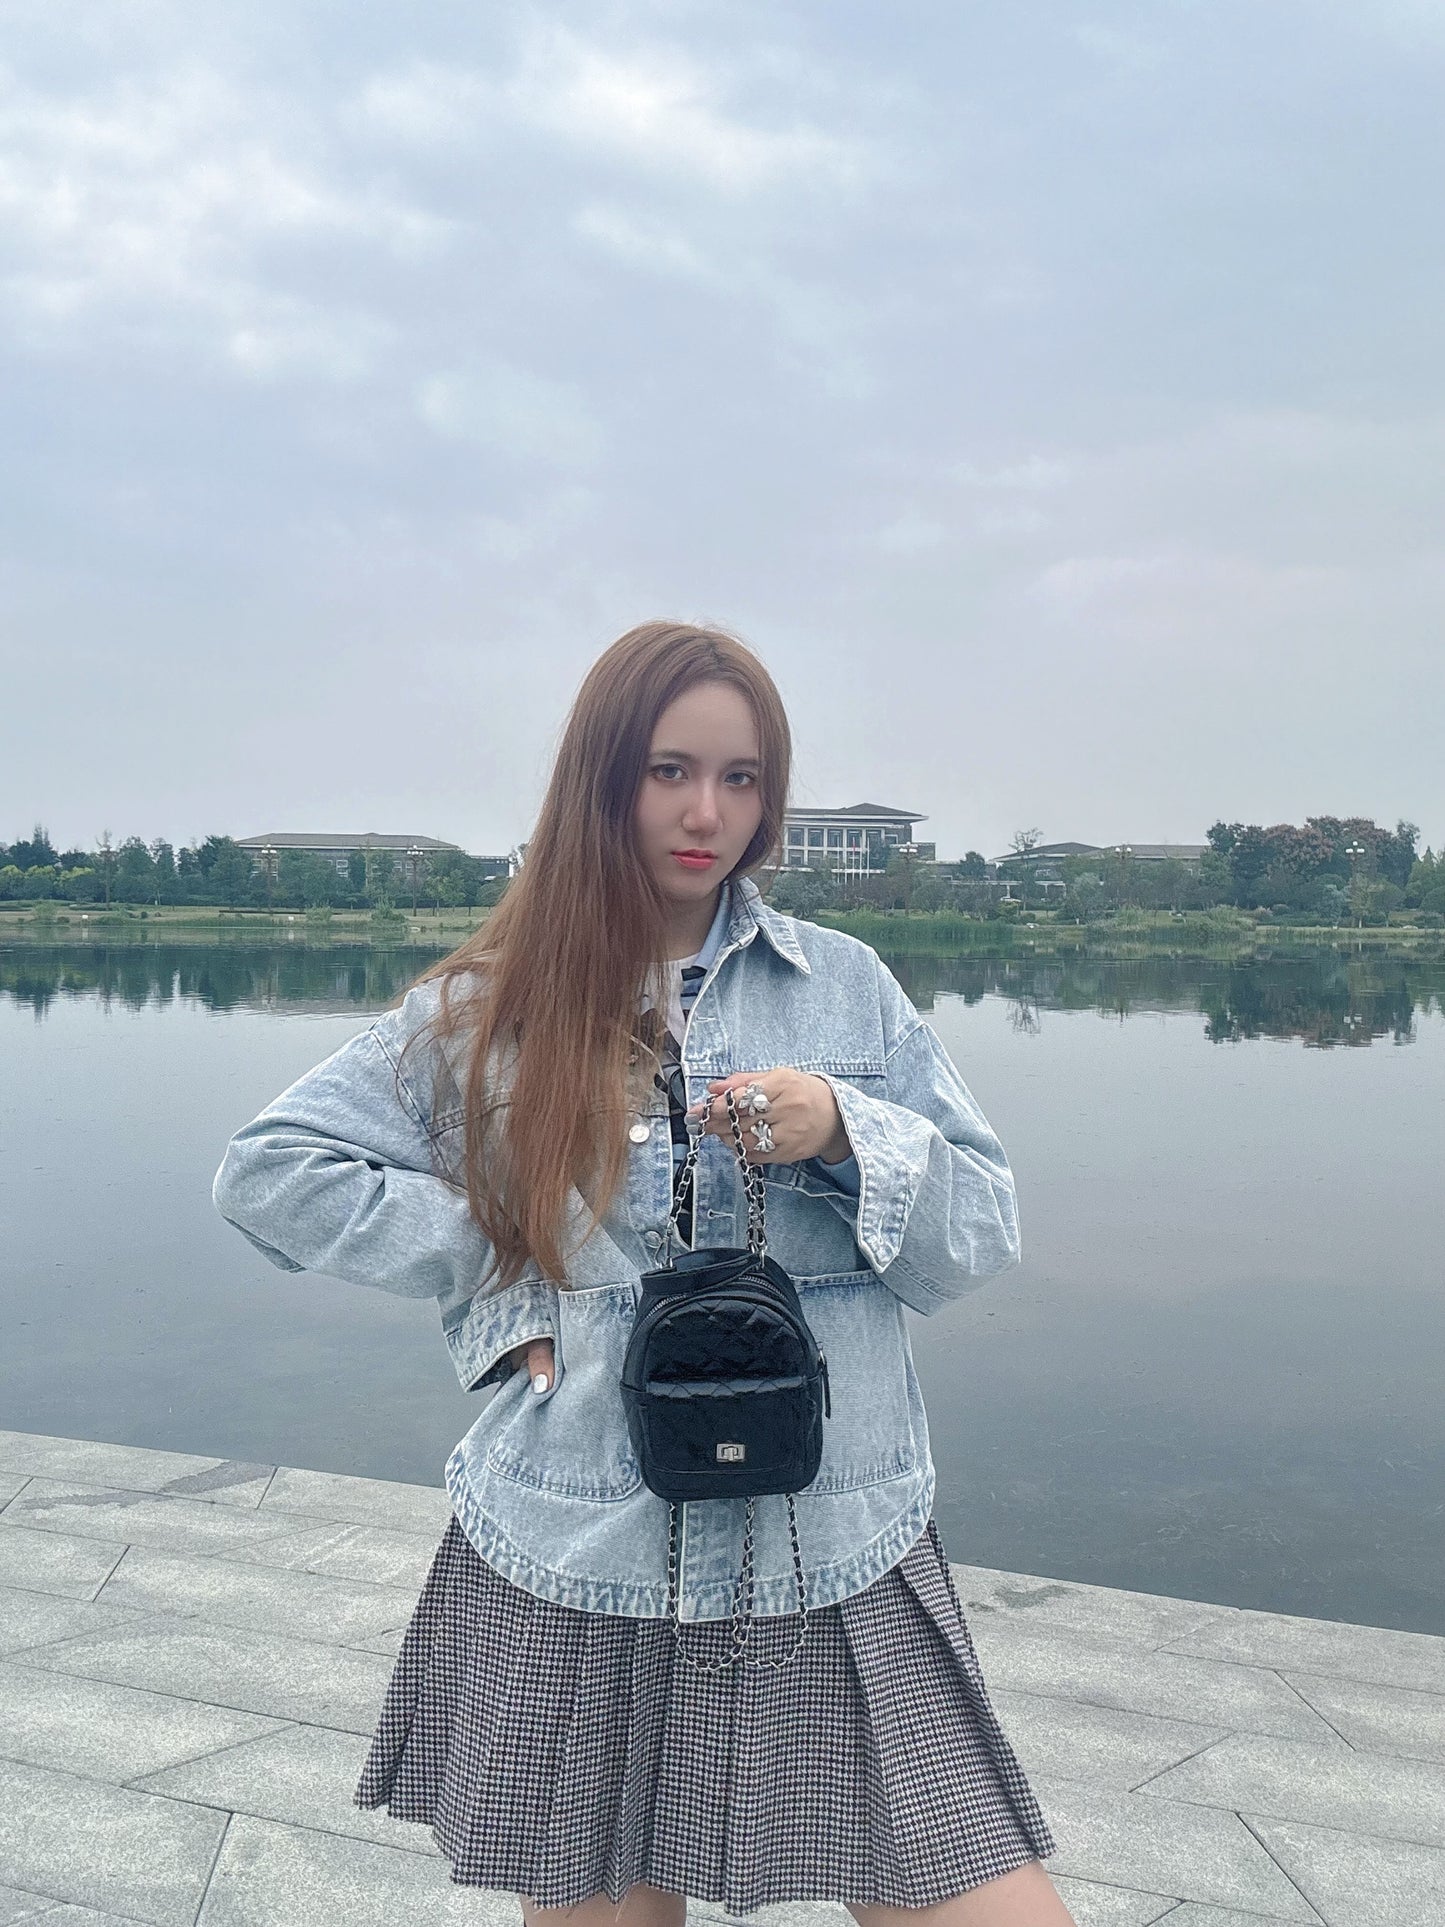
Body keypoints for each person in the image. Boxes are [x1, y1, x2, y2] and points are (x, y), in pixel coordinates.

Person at [212, 621, 1073, 1927]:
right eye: (670, 770)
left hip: (828, 1531)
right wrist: (509, 1269)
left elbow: (978, 1240)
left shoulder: (843, 990)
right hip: (584, 1537)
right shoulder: (486, 1009)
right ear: (601, 777)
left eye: (739, 780)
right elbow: (274, 1174)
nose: (704, 813)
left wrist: (847, 1129)